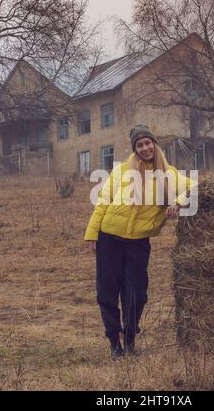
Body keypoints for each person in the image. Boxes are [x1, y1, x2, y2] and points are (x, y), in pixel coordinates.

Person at [84, 125, 193, 359]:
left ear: (154, 144)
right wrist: (92, 233)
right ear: (135, 148)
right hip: (109, 238)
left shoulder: (169, 173)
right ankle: (114, 343)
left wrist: (179, 201)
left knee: (137, 293)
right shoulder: (122, 171)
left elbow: (195, 187)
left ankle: (130, 337)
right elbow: (104, 201)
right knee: (107, 292)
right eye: (139, 145)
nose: (145, 148)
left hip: (138, 242)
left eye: (148, 143)